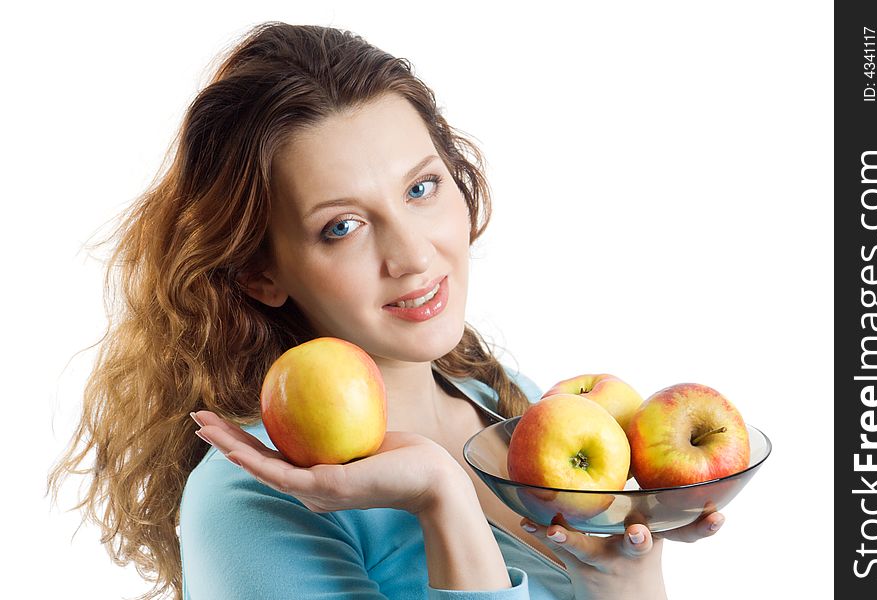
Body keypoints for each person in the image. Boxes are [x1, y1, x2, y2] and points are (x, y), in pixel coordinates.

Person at [48, 21, 725, 600]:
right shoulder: (247, 503)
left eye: (422, 187)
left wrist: (626, 579)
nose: (412, 254)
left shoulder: (504, 401)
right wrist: (442, 500)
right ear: (261, 274)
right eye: (342, 226)